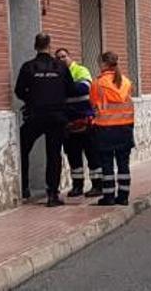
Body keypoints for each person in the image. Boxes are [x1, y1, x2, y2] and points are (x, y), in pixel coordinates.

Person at [15, 33, 76, 207]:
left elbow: (19, 91)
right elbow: (71, 90)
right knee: (54, 155)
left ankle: (24, 188)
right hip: (57, 116)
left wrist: (32, 99)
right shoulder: (60, 66)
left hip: (35, 115)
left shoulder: (28, 67)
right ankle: (52, 195)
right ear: (49, 46)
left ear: (35, 46)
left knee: (22, 148)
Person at [55, 48, 102, 198]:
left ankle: (97, 185)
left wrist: (64, 88)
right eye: (58, 58)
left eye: (64, 56)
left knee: (92, 155)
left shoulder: (80, 70)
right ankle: (77, 186)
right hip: (69, 124)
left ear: (70, 57)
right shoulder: (58, 74)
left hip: (86, 120)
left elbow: (84, 88)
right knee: (74, 157)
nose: (61, 60)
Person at [90, 51, 135, 206]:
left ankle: (108, 196)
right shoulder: (127, 82)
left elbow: (94, 105)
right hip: (125, 128)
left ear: (103, 64)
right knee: (123, 164)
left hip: (105, 129)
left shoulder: (98, 83)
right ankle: (123, 196)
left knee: (107, 164)